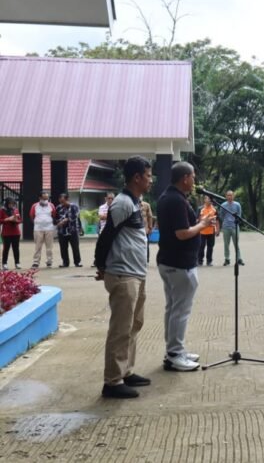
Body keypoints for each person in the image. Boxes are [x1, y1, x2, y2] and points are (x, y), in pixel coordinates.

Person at [93, 156, 152, 398]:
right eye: (148, 175)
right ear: (137, 177)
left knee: (134, 325)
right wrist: (101, 265)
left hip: (136, 274)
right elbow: (106, 236)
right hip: (123, 275)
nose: (151, 179)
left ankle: (126, 371)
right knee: (121, 328)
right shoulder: (122, 203)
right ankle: (112, 382)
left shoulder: (135, 202)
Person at [157, 162, 213, 372]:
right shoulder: (176, 200)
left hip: (169, 261)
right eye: (193, 177)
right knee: (180, 310)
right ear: (185, 178)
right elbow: (182, 233)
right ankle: (174, 354)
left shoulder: (168, 197)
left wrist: (198, 222)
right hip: (180, 264)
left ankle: (174, 350)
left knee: (173, 309)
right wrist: (202, 225)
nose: (195, 181)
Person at [29, 191, 56, 269]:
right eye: (44, 197)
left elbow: (54, 215)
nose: (45, 199)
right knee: (38, 246)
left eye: (47, 197)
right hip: (38, 228)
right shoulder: (35, 206)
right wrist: (36, 223)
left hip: (49, 228)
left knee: (49, 246)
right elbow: (31, 215)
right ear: (40, 198)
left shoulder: (51, 205)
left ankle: (49, 261)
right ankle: (36, 262)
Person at [56, 193, 82, 267]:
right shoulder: (58, 207)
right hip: (62, 231)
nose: (62, 203)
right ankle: (65, 262)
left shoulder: (74, 206)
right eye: (60, 201)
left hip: (73, 230)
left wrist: (65, 220)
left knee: (75, 247)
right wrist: (58, 222)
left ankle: (77, 262)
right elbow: (56, 217)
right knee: (63, 248)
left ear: (67, 199)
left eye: (63, 201)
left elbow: (75, 216)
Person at [220, 190, 244, 266]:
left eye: (231, 195)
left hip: (235, 227)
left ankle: (239, 259)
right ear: (226, 196)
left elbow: (239, 215)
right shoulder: (223, 205)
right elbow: (221, 215)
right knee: (226, 244)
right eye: (228, 195)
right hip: (226, 227)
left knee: (236, 244)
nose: (229, 197)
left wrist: (235, 221)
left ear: (233, 196)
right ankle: (227, 259)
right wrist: (226, 221)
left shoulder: (237, 205)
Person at [1, 197, 22, 270]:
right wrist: (7, 219)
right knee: (6, 249)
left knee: (16, 248)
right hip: (6, 233)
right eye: (10, 204)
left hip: (16, 232)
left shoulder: (15, 210)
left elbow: (20, 220)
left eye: (13, 204)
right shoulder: (2, 210)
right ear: (6, 203)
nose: (11, 205)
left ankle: (17, 263)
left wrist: (16, 220)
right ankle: (4, 263)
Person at [196, 195, 218, 266]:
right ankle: (199, 261)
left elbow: (217, 220)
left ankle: (209, 261)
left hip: (211, 230)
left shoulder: (214, 209)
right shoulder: (200, 208)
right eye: (208, 198)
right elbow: (197, 219)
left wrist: (217, 229)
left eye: (210, 199)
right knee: (201, 246)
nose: (209, 200)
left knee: (210, 246)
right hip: (202, 231)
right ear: (205, 200)